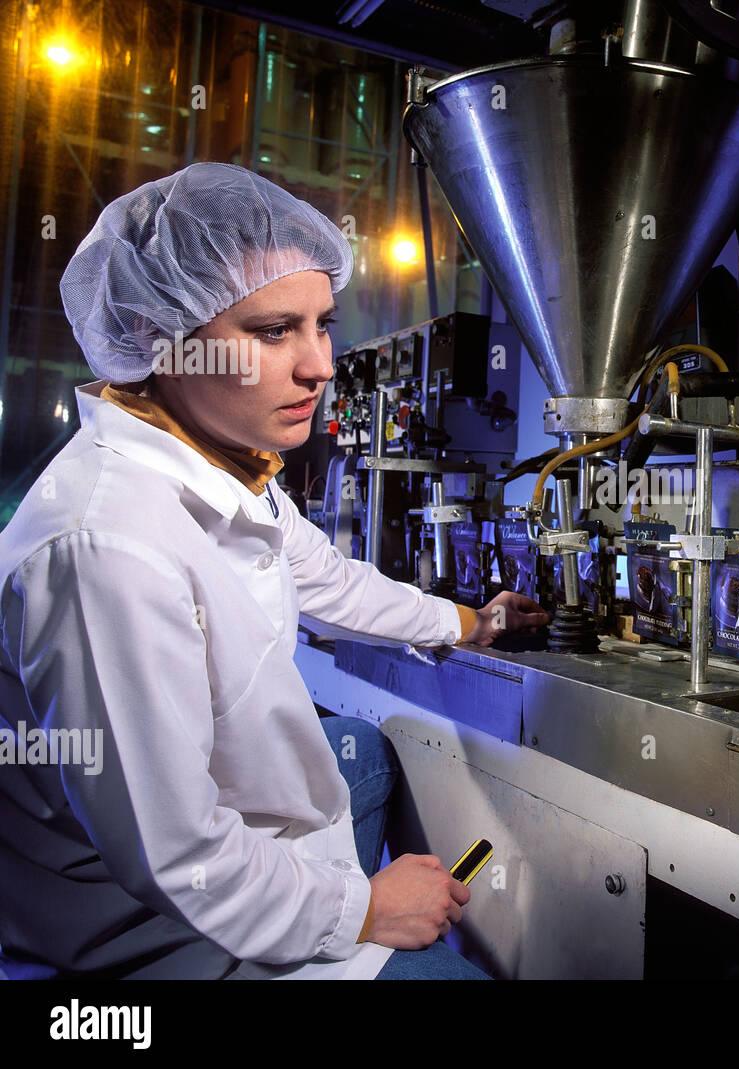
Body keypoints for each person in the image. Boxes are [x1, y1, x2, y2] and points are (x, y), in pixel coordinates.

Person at [0, 161, 548, 979]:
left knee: (357, 747)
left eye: (322, 324)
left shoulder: (219, 463)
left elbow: (328, 579)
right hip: (147, 932)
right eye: (271, 332)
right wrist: (366, 907)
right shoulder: (106, 546)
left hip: (205, 863)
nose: (321, 365)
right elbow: (175, 851)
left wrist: (470, 622)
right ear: (162, 338)